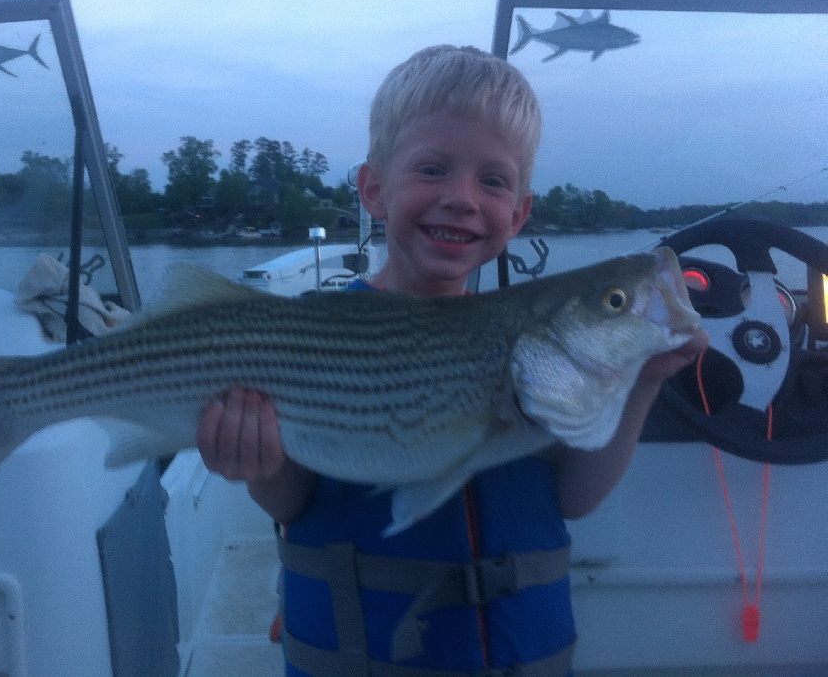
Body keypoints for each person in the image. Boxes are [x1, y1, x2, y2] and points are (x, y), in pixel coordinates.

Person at [197, 44, 709, 677]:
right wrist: (255, 465)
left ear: (518, 213)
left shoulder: (538, 354)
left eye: (492, 181)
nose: (462, 198)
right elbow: (291, 505)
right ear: (374, 190)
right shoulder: (308, 332)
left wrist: (643, 380)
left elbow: (572, 498)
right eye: (433, 169)